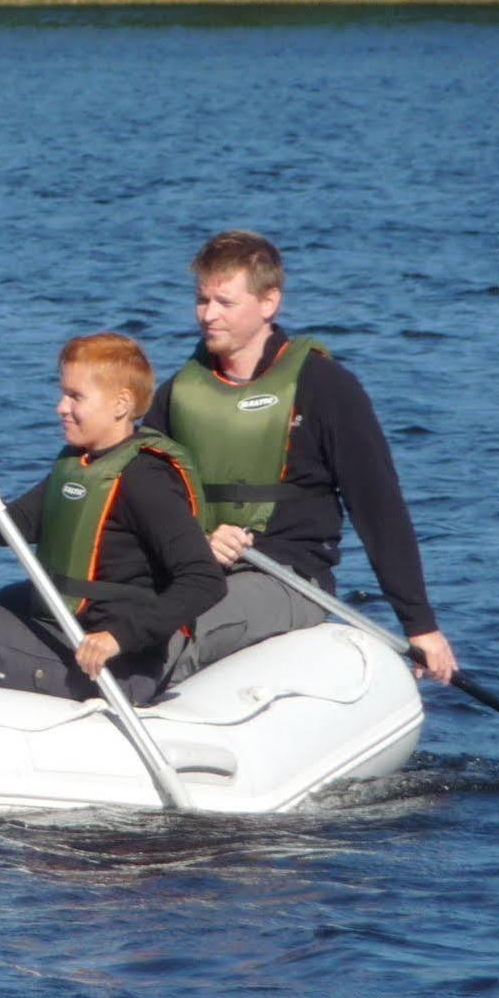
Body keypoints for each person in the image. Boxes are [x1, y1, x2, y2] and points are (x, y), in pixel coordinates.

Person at [146, 229, 458, 683]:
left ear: (268, 303)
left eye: (224, 303)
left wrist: (420, 625)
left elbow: (379, 509)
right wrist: (197, 540)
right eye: (201, 300)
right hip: (198, 566)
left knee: (173, 628)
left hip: (288, 579)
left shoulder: (326, 387)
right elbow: (145, 495)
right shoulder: (179, 392)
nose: (207, 316)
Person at [0, 333, 226, 706]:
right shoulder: (81, 462)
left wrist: (117, 637)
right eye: (63, 393)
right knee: (8, 599)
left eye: (76, 397)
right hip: (65, 636)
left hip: (108, 671)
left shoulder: (144, 480)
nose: (61, 407)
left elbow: (204, 581)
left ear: (121, 404)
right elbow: (13, 528)